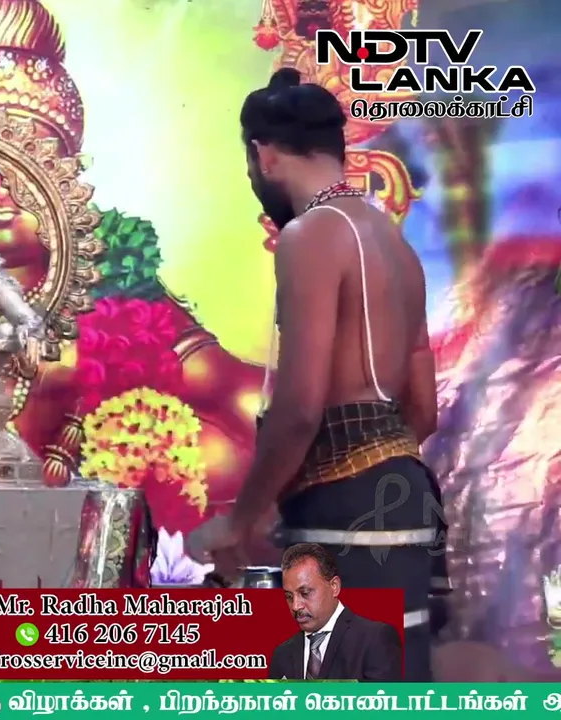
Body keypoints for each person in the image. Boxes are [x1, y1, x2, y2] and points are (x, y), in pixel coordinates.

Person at [186, 68, 444, 681]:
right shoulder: (397, 248)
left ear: (264, 155)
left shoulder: (309, 235)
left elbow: (301, 407)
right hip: (408, 502)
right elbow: (423, 411)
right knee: (398, 685)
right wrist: (376, 467)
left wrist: (241, 522)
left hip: (342, 511)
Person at [268, 543, 402, 681]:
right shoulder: (282, 655)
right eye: (289, 596)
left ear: (334, 586)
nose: (296, 606)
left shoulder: (374, 640)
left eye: (305, 593)